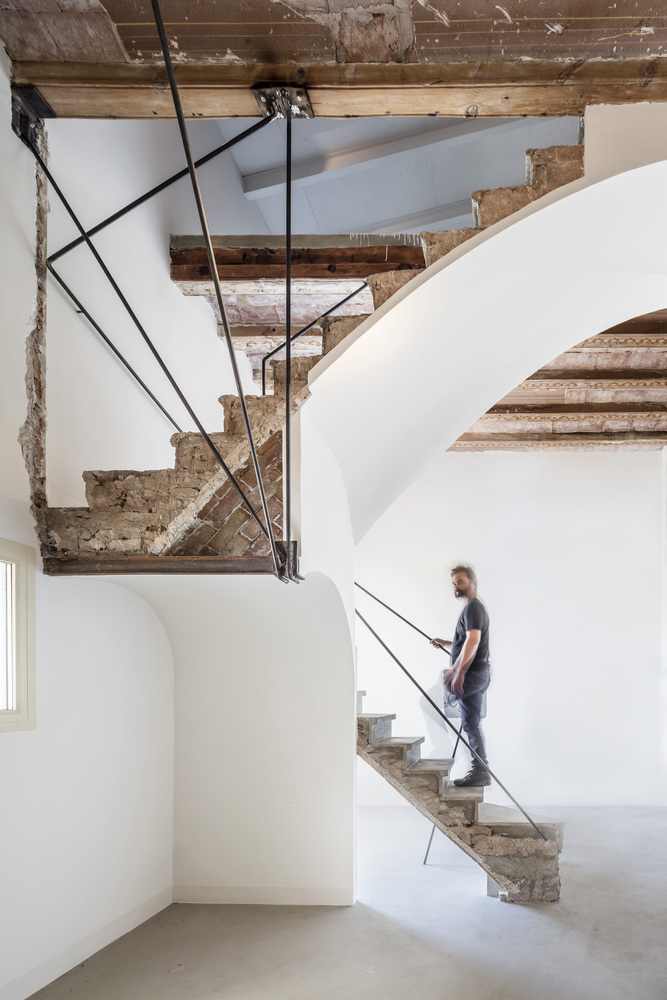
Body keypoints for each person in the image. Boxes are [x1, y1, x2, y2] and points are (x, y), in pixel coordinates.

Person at [431, 565, 491, 787]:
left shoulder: (473, 608)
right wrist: (447, 643)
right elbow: (467, 640)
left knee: (431, 703)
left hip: (472, 675)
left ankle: (474, 767)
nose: (456, 586)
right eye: (454, 582)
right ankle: (480, 770)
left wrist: (458, 671)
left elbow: (473, 641)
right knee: (471, 723)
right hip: (479, 674)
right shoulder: (473, 608)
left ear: (473, 583)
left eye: (461, 581)